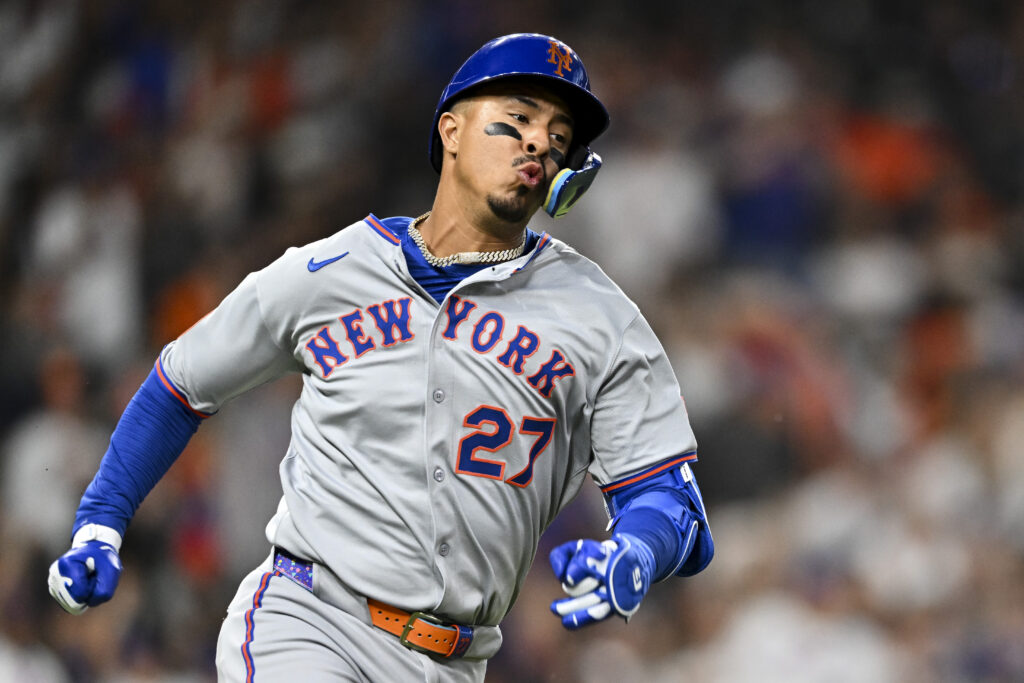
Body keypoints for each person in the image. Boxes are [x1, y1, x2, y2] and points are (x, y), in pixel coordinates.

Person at [47, 33, 714, 682]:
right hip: (309, 619)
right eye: (516, 120)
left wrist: (636, 549)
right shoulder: (328, 271)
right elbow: (181, 383)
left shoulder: (599, 317)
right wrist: (100, 522)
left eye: (560, 135)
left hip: (458, 659)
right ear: (450, 130)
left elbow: (669, 499)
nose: (541, 140)